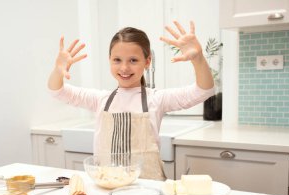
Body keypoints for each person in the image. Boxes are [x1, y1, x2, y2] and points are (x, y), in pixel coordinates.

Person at [48, 21, 214, 180]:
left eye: (133, 60)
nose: (124, 68)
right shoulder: (100, 100)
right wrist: (57, 70)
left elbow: (203, 91)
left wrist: (198, 59)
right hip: (108, 186)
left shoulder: (157, 99)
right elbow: (57, 91)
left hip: (147, 189)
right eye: (117, 60)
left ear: (147, 62)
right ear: (110, 60)